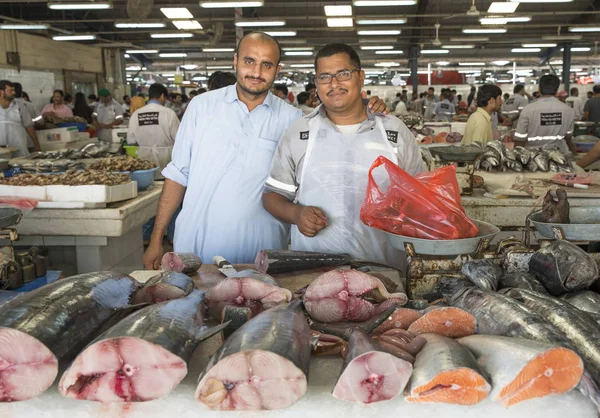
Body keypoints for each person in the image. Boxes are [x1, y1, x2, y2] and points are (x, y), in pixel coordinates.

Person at [142, 32, 388, 269]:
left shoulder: (293, 120)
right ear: (236, 61)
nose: (256, 72)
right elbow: (177, 176)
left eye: (267, 65)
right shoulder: (201, 107)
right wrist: (156, 239)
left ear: (277, 70)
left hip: (263, 257)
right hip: (195, 252)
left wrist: (368, 110)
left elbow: (340, 130)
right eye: (249, 61)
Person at [262, 43, 425, 269]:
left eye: (343, 74)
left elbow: (423, 197)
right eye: (324, 77)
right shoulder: (300, 134)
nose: (334, 84)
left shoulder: (394, 133)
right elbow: (272, 195)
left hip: (386, 273)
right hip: (315, 275)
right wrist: (297, 214)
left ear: (360, 77)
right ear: (316, 84)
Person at [515, 74, 575, 154]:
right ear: (557, 91)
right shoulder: (568, 110)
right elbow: (568, 136)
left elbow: (520, 139)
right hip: (559, 156)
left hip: (533, 156)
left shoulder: (528, 109)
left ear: (539, 90)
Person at [0, 80, 40, 156]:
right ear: (1, 92)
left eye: (14, 90)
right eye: (11, 90)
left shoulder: (20, 106)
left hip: (19, 148)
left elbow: (29, 127)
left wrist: (36, 145)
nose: (14, 93)